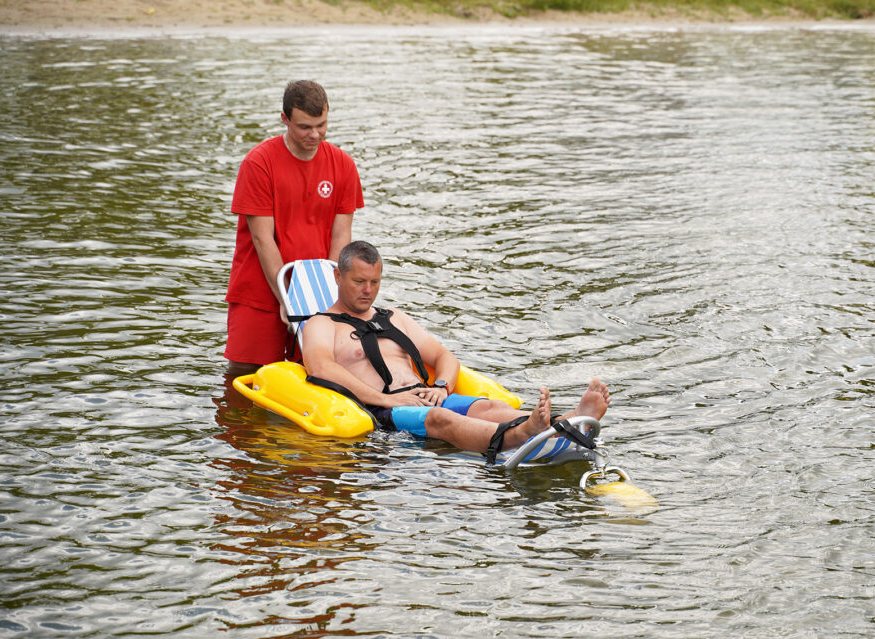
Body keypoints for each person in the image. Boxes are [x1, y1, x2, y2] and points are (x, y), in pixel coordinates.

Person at [302, 241, 610, 459]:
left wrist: (441, 385)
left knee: (486, 408)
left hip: (425, 394)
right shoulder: (321, 324)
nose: (368, 291)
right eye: (359, 282)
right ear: (338, 276)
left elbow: (443, 357)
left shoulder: (391, 316)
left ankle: (568, 420)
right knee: (439, 418)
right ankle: (521, 434)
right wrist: (386, 398)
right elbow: (322, 368)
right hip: (386, 411)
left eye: (375, 282)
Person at [224, 80, 364, 375]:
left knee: (319, 375)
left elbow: (341, 236)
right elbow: (263, 240)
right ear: (284, 119)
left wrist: (333, 299)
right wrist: (286, 299)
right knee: (244, 377)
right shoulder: (258, 164)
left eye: (321, 125)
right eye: (304, 127)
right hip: (260, 291)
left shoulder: (343, 166)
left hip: (317, 293)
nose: (315, 134)